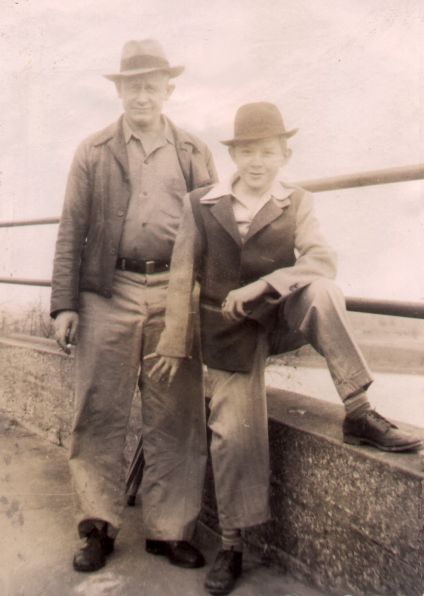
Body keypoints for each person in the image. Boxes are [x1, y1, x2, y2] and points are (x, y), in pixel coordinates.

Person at [151, 102, 423, 595]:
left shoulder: (296, 201)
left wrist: (265, 286)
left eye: (268, 151)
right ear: (235, 154)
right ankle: (232, 545)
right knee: (233, 434)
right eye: (248, 151)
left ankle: (359, 409)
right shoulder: (200, 203)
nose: (258, 161)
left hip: (277, 320)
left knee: (323, 292)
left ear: (284, 153)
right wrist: (174, 344)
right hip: (227, 333)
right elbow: (180, 276)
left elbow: (321, 259)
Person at [50, 39, 217, 573]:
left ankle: (169, 531)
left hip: (174, 293)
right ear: (120, 91)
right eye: (132, 85)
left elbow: (213, 230)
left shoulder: (192, 150)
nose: (141, 94)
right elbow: (70, 229)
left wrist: (208, 306)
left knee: (178, 414)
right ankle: (97, 525)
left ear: (168, 89)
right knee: (99, 410)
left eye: (151, 84)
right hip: (107, 291)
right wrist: (63, 305)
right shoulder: (93, 150)